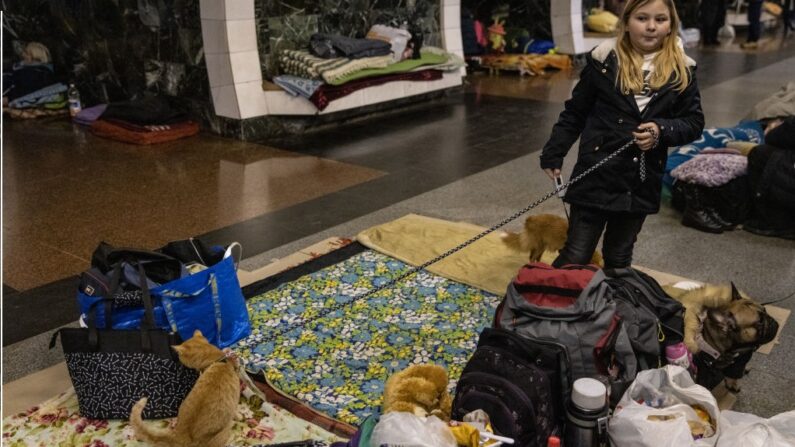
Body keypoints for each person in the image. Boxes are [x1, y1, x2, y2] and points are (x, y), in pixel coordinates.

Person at [539, 0, 704, 269]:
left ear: (671, 25)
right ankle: (551, 304)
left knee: (618, 258)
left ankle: (611, 307)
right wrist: (554, 152)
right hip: (596, 172)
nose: (651, 26)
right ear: (626, 22)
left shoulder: (683, 69)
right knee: (576, 254)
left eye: (660, 19)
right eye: (642, 18)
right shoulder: (603, 60)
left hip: (640, 180)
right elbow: (576, 111)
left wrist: (661, 130)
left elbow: (694, 121)